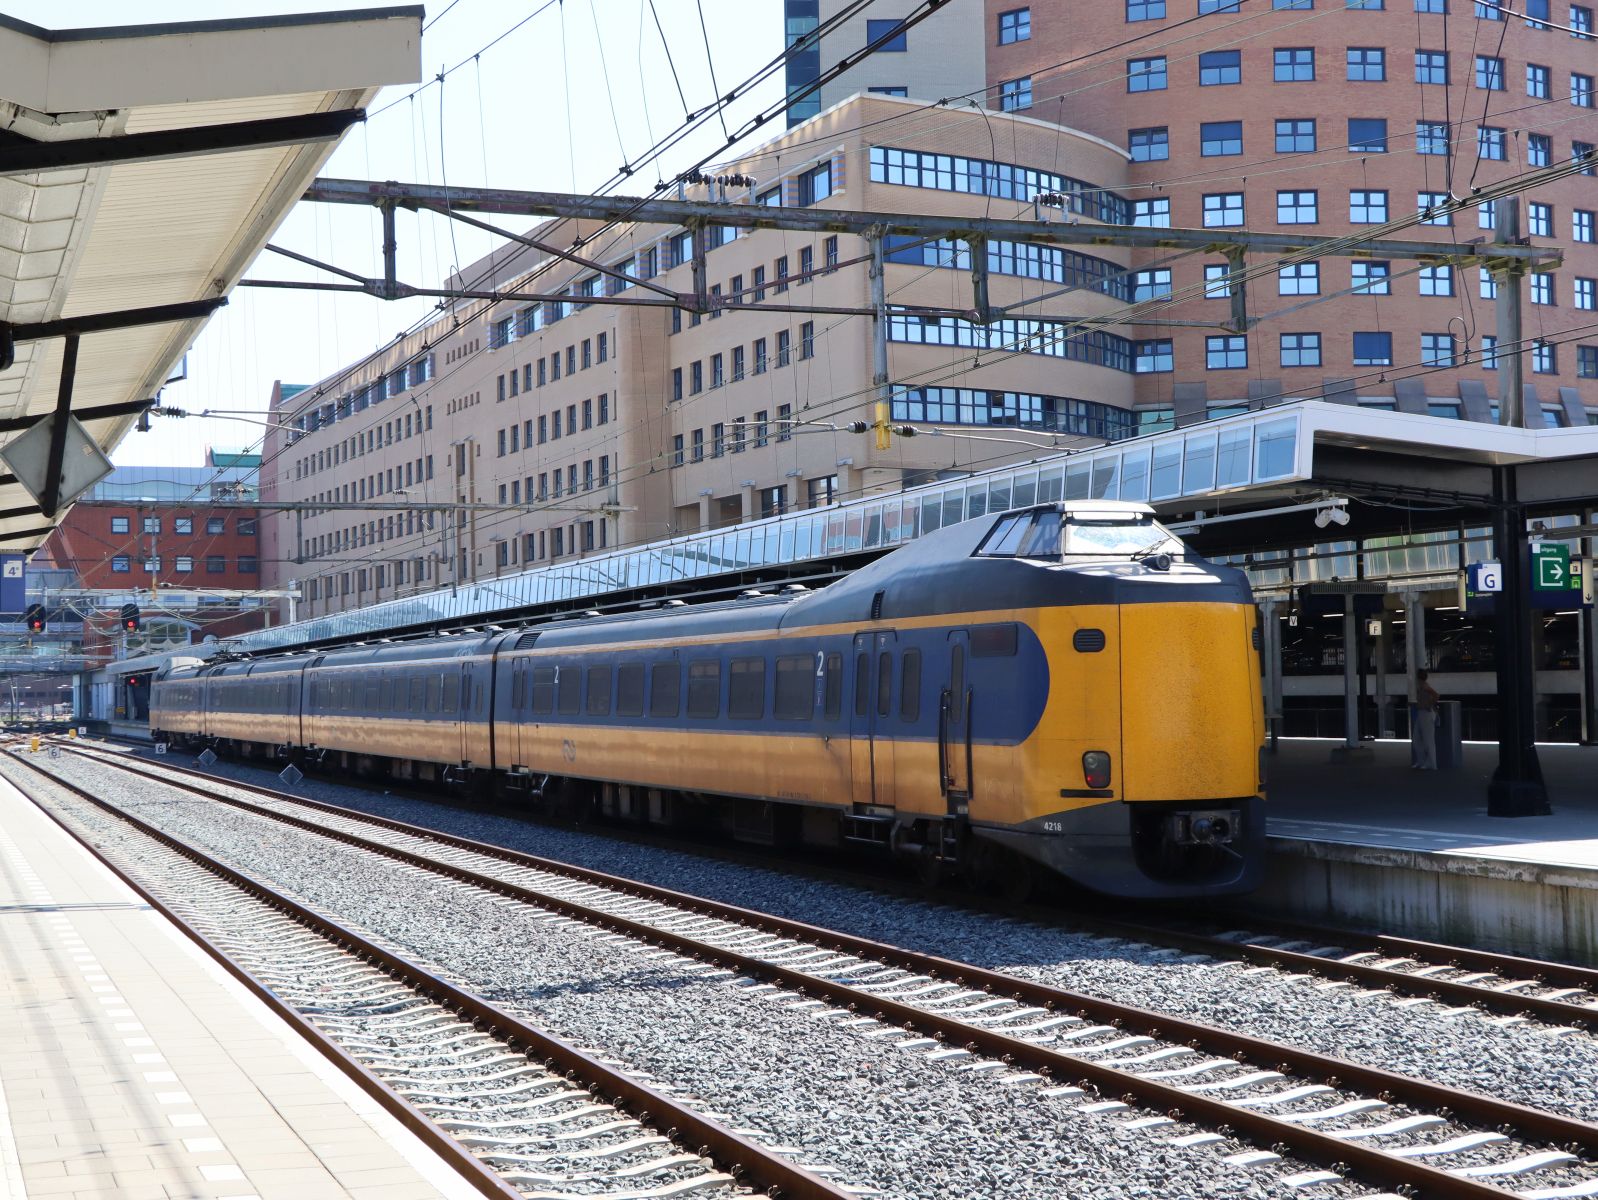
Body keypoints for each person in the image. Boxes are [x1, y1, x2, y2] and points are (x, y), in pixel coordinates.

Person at [1412, 669, 1440, 770]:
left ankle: (1431, 763)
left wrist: (1430, 704)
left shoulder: (1425, 687)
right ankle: (1422, 761)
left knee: (1428, 740)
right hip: (1421, 713)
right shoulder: (1420, 687)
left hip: (1426, 713)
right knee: (1416, 738)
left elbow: (1436, 695)